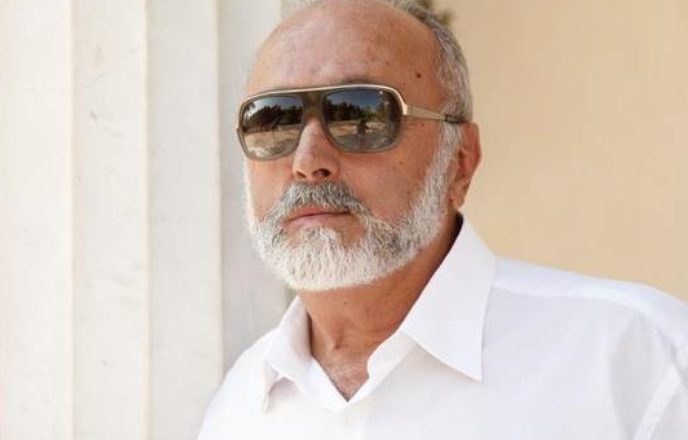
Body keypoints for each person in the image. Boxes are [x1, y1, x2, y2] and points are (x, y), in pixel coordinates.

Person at [199, 0, 688, 438]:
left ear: (460, 161)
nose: (308, 161)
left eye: (361, 115)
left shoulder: (636, 358)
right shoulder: (240, 407)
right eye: (272, 119)